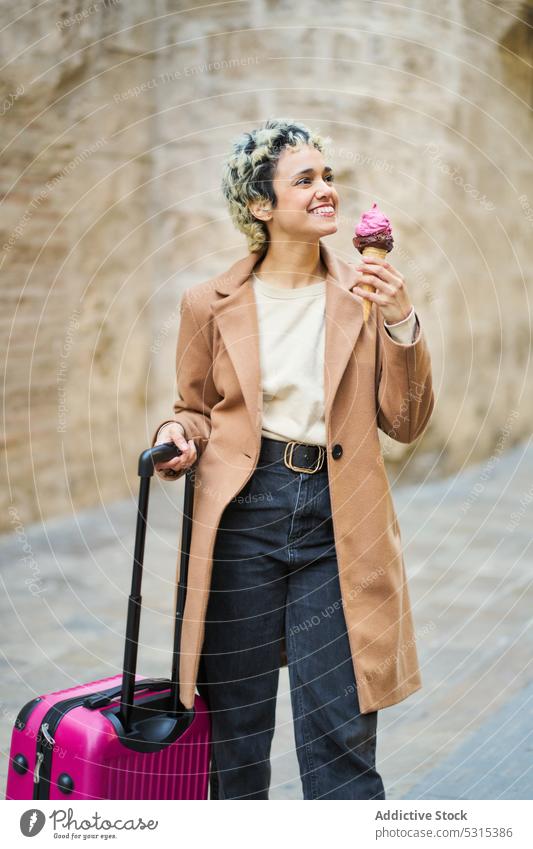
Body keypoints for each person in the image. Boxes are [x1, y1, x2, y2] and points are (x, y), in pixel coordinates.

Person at [152, 118, 434, 799]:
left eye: (327, 176)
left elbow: (405, 420)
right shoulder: (207, 304)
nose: (323, 189)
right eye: (303, 180)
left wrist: (399, 321)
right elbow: (194, 405)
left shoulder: (363, 295)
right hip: (241, 518)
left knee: (340, 735)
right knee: (234, 739)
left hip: (338, 521)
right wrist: (177, 432)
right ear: (259, 205)